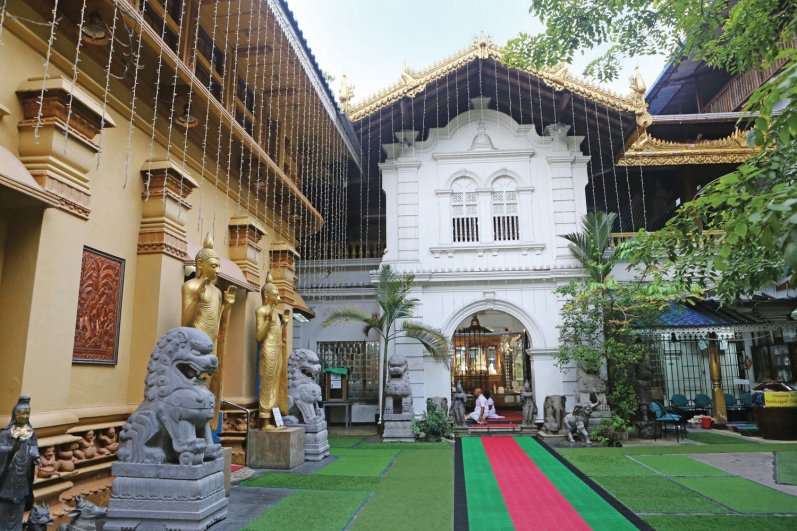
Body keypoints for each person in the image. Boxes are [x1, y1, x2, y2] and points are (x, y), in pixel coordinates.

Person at [181, 233, 237, 429]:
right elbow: (185, 324)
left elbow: (221, 326)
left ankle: (205, 427)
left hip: (211, 347)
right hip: (195, 348)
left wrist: (228, 306)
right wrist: (196, 299)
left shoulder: (217, 292)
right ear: (200, 266)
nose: (218, 271)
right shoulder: (190, 286)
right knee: (194, 390)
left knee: (207, 390)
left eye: (219, 266)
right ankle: (191, 428)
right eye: (214, 266)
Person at [0, 396, 40, 531]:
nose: (24, 416)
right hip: (8, 476)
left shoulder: (31, 433)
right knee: (5, 502)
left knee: (20, 502)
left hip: (23, 476)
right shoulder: (5, 433)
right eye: (21, 413)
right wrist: (11, 449)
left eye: (27, 413)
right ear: (15, 414)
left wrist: (36, 456)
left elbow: (34, 446)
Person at [256, 272, 288, 430]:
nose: (279, 298)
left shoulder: (276, 312)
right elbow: (258, 336)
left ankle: (275, 420)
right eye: (276, 295)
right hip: (267, 350)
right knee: (267, 384)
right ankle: (265, 422)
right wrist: (268, 321)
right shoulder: (261, 311)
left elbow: (280, 337)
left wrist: (285, 325)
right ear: (267, 295)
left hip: (277, 350)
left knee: (275, 384)